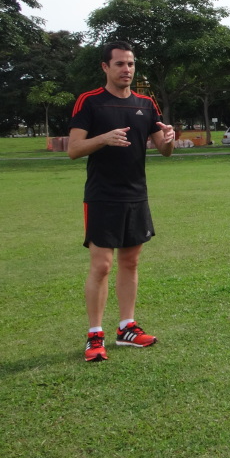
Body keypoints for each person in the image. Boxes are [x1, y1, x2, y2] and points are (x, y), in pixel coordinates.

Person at [68, 42, 176, 363]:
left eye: (130, 64)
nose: (126, 69)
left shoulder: (146, 103)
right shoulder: (90, 101)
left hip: (136, 194)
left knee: (131, 262)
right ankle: (95, 334)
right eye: (119, 64)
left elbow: (163, 150)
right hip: (102, 195)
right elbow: (73, 149)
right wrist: (104, 138)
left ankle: (127, 328)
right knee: (102, 265)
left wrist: (170, 140)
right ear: (105, 67)